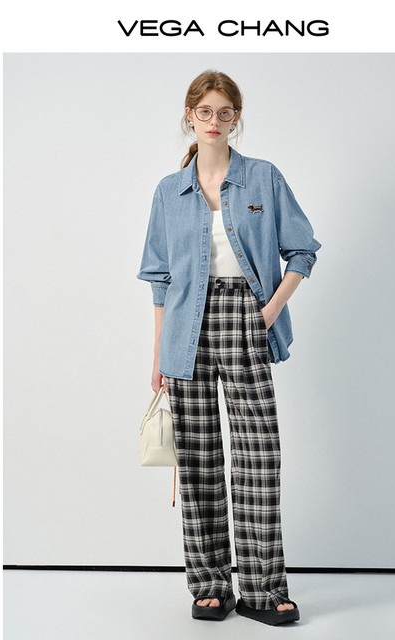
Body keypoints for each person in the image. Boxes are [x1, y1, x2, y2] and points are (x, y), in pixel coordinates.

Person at [137, 70, 321, 626]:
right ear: (189, 115)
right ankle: (210, 585)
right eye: (205, 111)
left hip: (247, 318)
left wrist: (268, 312)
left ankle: (263, 589)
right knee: (198, 461)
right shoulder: (169, 191)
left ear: (236, 118)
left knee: (258, 457)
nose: (214, 121)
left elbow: (302, 252)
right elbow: (160, 279)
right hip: (184, 330)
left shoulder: (263, 177)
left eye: (224, 112)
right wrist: (158, 357)